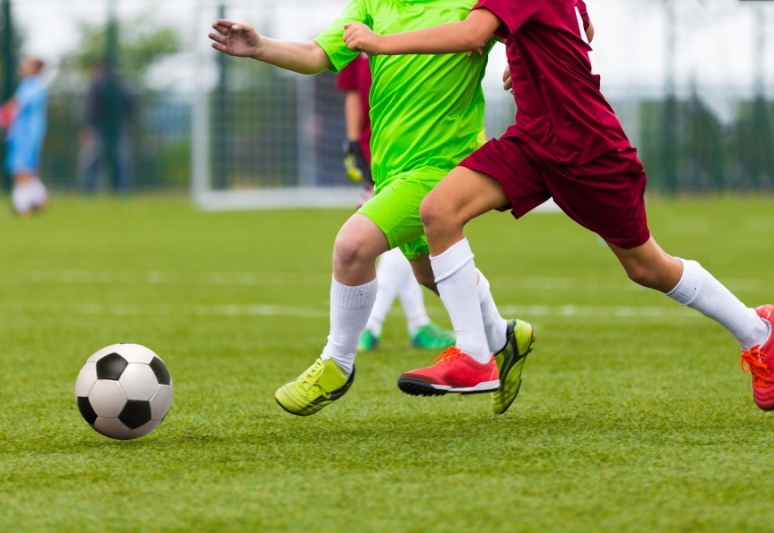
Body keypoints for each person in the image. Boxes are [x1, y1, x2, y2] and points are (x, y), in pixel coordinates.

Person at [343, 0, 774, 411]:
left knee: (648, 268)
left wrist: (380, 43)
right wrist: (526, 54)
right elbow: (578, 28)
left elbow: (472, 34)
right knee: (439, 209)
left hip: (588, 149)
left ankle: (759, 330)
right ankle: (476, 354)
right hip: (533, 141)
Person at [209, 0, 535, 417]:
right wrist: (259, 47)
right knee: (431, 274)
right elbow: (316, 56)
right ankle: (504, 336)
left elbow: (552, 20)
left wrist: (521, 60)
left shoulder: (472, 5)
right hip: (391, 168)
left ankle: (336, 363)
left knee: (352, 246)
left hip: (445, 167)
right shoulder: (373, 3)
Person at [335, 53, 456, 352]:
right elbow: (351, 89)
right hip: (381, 151)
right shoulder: (364, 18)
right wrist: (353, 141)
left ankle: (414, 323)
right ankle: (375, 325)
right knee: (394, 232)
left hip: (417, 149)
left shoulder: (417, 23)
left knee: (405, 235)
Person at [1, 57, 49, 216]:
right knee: (28, 169)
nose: (22, 68)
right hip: (27, 133)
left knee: (20, 168)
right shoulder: (34, 86)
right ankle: (39, 200)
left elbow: (16, 105)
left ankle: (23, 206)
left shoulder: (32, 86)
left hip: (26, 134)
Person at [79, 61, 135, 193]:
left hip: (102, 127)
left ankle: (89, 188)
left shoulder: (99, 86)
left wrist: (90, 126)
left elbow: (92, 109)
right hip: (117, 127)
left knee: (94, 159)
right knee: (119, 158)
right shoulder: (122, 85)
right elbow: (130, 107)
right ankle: (122, 188)